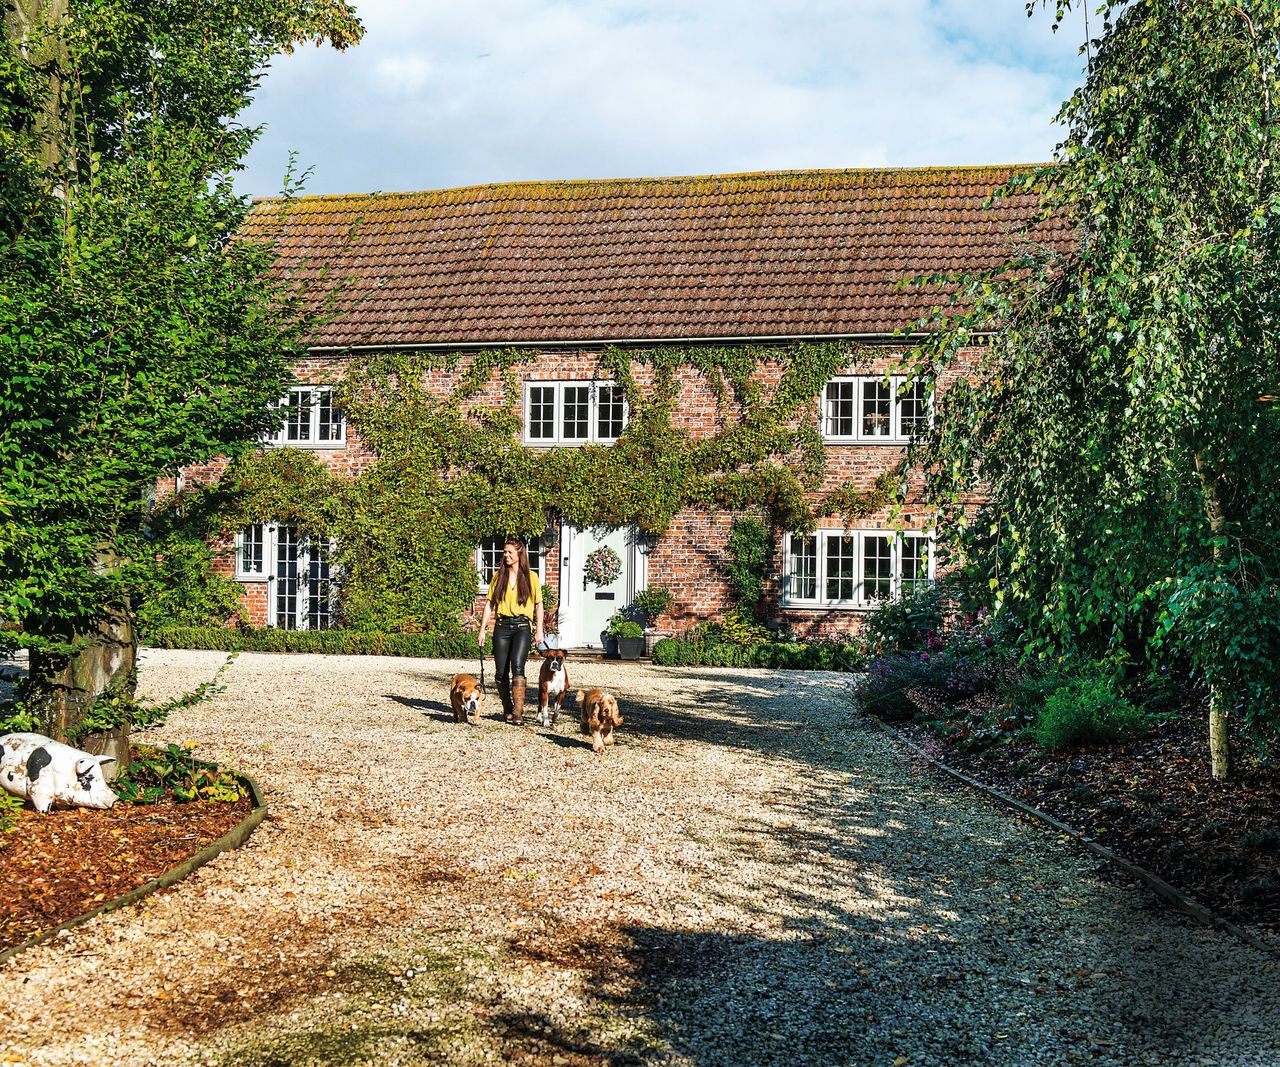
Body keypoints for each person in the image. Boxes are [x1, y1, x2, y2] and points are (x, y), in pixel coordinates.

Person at [476, 536, 544, 725]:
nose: (506, 555)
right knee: (500, 672)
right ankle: (507, 707)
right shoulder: (498, 577)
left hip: (522, 626)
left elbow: (539, 605)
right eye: (504, 552)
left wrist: (539, 630)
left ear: (519, 554)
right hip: (502, 627)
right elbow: (489, 604)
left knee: (518, 666)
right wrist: (482, 630)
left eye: (509, 552)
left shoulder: (532, 577)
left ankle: (518, 712)